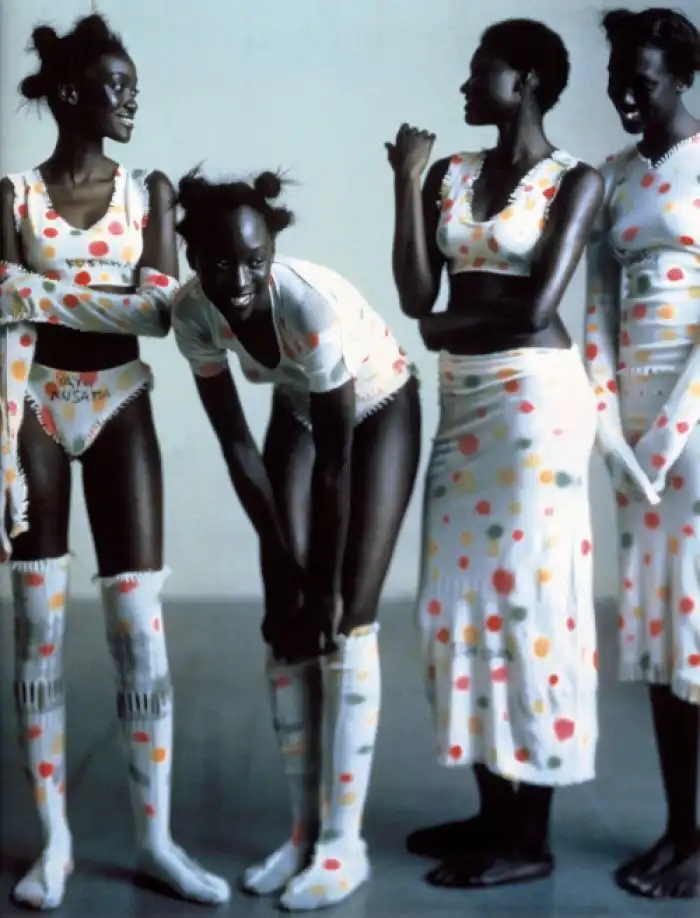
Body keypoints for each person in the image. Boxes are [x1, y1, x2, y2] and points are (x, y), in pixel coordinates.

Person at [385, 17, 631, 891]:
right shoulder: (447, 173)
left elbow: (533, 309)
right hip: (465, 400)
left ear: (524, 80)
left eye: (479, 69)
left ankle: (531, 835)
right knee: (458, 604)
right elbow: (415, 291)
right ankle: (494, 810)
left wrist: (445, 324)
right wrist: (406, 182)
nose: (464, 84)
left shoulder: (577, 180)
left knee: (530, 604)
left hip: (536, 404)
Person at [0, 14, 229, 909]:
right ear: (70, 94)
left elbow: (159, 314)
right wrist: (97, 298)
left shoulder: (150, 191)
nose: (133, 100)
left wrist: (33, 291)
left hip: (119, 402)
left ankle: (156, 840)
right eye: (117, 86)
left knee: (137, 623)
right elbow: (12, 317)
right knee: (37, 627)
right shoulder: (14, 194)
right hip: (33, 408)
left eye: (134, 86)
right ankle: (54, 842)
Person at [171, 167, 422, 910]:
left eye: (255, 260)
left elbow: (336, 466)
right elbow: (237, 449)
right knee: (285, 622)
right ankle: (303, 831)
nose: (239, 279)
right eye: (220, 263)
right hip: (301, 408)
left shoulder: (307, 307)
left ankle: (345, 845)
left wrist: (324, 585)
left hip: (377, 408)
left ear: (273, 252)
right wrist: (286, 566)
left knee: (343, 618)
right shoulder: (192, 314)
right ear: (194, 259)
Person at [583, 6, 700, 901]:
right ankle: (679, 828)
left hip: (692, 434)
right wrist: (608, 425)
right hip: (632, 438)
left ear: (684, 79)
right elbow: (597, 310)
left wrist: (664, 438)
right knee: (658, 631)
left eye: (644, 82)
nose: (627, 96)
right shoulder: (616, 176)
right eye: (618, 79)